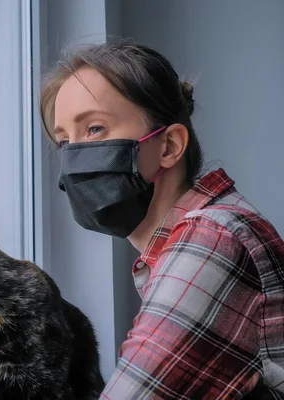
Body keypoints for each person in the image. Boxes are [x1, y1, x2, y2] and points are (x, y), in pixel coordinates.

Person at [40, 40, 284, 399]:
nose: (75, 158)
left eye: (94, 129)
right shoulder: (187, 242)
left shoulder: (213, 240)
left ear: (168, 147)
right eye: (64, 143)